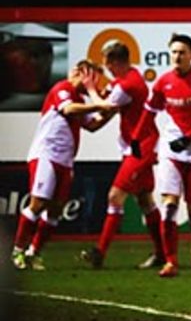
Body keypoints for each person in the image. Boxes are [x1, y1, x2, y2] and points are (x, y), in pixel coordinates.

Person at [129, 33, 191, 278]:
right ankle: (170, 261)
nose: (177, 56)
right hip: (171, 150)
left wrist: (190, 137)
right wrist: (136, 139)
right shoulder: (163, 82)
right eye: (173, 52)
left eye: (182, 52)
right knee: (169, 206)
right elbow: (149, 112)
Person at [11, 60, 115, 270]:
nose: (87, 80)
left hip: (65, 161)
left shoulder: (81, 99)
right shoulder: (62, 89)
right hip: (46, 155)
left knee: (56, 211)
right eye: (84, 74)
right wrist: (100, 104)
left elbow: (92, 125)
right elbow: (68, 110)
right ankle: (18, 251)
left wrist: (112, 112)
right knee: (38, 203)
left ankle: (34, 252)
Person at [79, 40, 167, 270]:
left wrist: (89, 88)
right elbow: (108, 106)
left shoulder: (128, 85)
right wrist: (90, 121)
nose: (106, 68)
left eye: (107, 63)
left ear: (116, 62)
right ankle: (162, 253)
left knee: (114, 197)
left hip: (141, 147)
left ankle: (99, 253)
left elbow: (104, 106)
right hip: (137, 144)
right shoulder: (128, 78)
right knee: (145, 200)